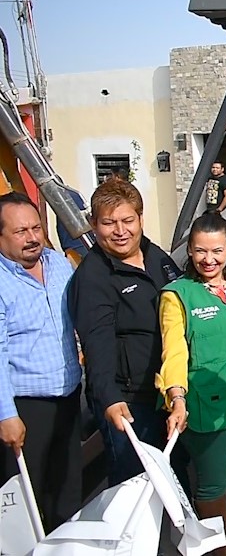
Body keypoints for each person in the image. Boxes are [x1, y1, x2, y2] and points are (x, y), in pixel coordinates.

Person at [156, 213, 226, 556]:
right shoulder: (178, 295)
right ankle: (220, 552)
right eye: (201, 251)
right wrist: (176, 396)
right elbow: (173, 351)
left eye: (217, 250)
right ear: (189, 251)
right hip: (204, 403)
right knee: (212, 486)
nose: (209, 259)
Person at [70, 179, 183, 487]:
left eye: (127, 220)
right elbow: (97, 345)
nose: (120, 231)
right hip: (130, 404)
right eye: (109, 223)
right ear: (94, 225)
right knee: (135, 488)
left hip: (168, 396)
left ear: (140, 219)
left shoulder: (156, 256)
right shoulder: (93, 277)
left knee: (175, 484)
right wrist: (109, 399)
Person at [0, 192, 82, 532]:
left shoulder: (59, 264)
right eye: (21, 232)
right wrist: (6, 414)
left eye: (36, 228)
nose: (32, 237)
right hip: (24, 406)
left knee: (66, 496)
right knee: (23, 509)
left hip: (68, 399)